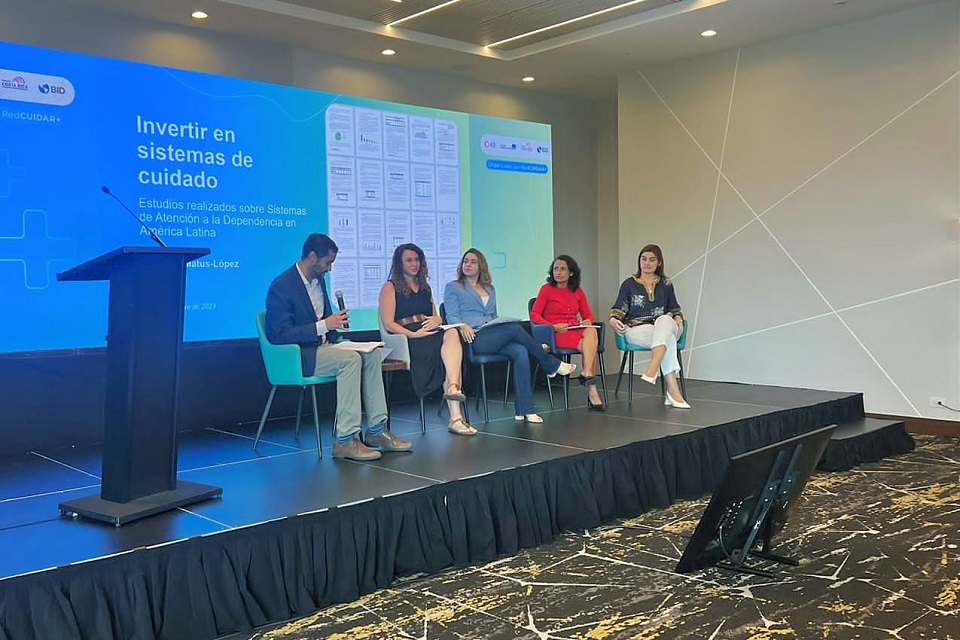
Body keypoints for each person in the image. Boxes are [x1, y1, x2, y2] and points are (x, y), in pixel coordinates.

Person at [265, 233, 413, 460]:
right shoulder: (282, 286)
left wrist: (336, 326)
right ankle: (345, 440)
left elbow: (324, 324)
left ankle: (377, 430)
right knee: (350, 360)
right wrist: (324, 325)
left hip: (326, 346)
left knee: (371, 354)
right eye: (328, 263)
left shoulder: (319, 281)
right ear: (312, 257)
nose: (330, 269)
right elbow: (280, 334)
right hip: (299, 355)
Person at [443, 248, 577, 424]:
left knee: (520, 351)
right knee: (514, 329)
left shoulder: (489, 289)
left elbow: (492, 316)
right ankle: (550, 364)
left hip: (491, 333)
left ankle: (525, 410)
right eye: (465, 261)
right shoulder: (453, 287)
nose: (468, 264)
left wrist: (499, 322)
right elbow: (451, 316)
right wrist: (462, 325)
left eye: (473, 262)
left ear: (481, 266)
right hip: (473, 338)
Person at [379, 244, 476, 436]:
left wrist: (438, 320)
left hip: (429, 331)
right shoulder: (390, 287)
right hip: (407, 337)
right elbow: (388, 323)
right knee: (448, 358)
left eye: (417, 260)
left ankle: (453, 390)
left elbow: (434, 316)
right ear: (399, 263)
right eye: (409, 260)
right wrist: (413, 334)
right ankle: (456, 417)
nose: (414, 264)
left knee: (452, 333)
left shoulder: (425, 287)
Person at [609, 244, 690, 408]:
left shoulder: (666, 284)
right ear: (639, 261)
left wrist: (679, 319)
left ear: (659, 262)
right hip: (636, 329)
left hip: (662, 326)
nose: (647, 263)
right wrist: (613, 320)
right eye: (644, 259)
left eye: (652, 260)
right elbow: (618, 310)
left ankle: (653, 367)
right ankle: (673, 391)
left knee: (664, 320)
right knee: (669, 340)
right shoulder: (629, 284)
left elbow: (674, 309)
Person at [531, 255, 605, 411]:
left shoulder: (577, 290)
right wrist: (552, 327)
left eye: (562, 269)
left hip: (574, 329)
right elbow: (535, 315)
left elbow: (588, 315)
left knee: (591, 331)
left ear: (571, 272)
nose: (558, 272)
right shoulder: (546, 289)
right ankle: (592, 389)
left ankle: (587, 373)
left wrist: (587, 321)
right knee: (591, 347)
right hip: (556, 333)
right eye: (555, 269)